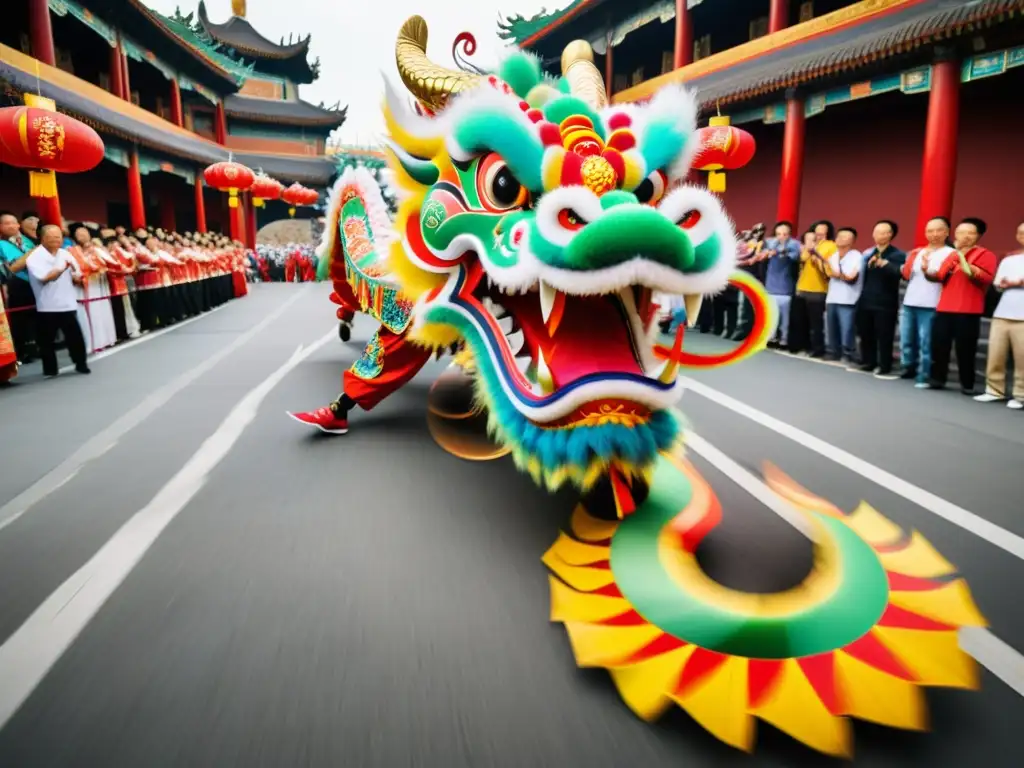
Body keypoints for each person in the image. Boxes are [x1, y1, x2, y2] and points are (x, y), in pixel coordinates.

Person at [929, 217, 997, 394]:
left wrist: (961, 258)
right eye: (960, 232)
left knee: (965, 349)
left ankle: (967, 383)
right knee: (939, 345)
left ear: (979, 235)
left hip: (968, 309)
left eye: (969, 232)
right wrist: (927, 269)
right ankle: (938, 378)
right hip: (944, 307)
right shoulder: (950, 255)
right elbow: (940, 276)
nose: (963, 236)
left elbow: (985, 277)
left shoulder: (985, 254)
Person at [25, 224, 90, 377]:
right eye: (52, 237)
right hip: (47, 306)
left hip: (67, 303)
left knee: (75, 337)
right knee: (46, 340)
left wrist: (76, 277)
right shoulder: (34, 257)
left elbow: (77, 274)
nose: (56, 240)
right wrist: (61, 269)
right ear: (42, 239)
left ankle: (81, 364)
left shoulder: (65, 254)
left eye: (59, 237)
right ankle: (50, 369)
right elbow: (44, 278)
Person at [975, 221, 1024, 409]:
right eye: (1020, 232)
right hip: (1003, 313)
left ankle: (1020, 395)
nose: (1022, 236)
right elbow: (997, 284)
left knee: (1022, 358)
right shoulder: (1009, 259)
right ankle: (994, 390)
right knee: (996, 354)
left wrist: (1019, 283)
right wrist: (1003, 284)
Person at [900, 217, 953, 388]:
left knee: (926, 342)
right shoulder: (917, 252)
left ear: (946, 232)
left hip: (931, 304)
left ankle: (924, 374)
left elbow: (942, 276)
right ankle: (908, 367)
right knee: (907, 339)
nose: (934, 234)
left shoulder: (950, 254)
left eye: (938, 230)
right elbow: (907, 275)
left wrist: (927, 269)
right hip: (910, 301)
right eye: (930, 231)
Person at [857, 220, 906, 378]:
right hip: (866, 299)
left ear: (890, 235)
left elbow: (899, 273)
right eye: (877, 231)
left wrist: (884, 264)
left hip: (885, 302)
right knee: (866, 333)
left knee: (884, 335)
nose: (879, 235)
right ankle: (868, 361)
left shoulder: (897, 255)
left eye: (884, 232)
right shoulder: (869, 253)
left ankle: (884, 365)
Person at [791, 221, 834, 357]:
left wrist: (816, 255)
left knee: (816, 324)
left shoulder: (831, 246)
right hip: (802, 287)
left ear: (827, 233)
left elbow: (828, 268)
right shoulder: (807, 245)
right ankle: (802, 346)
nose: (819, 234)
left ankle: (817, 349)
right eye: (816, 231)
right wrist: (808, 248)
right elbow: (802, 260)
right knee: (800, 321)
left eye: (822, 232)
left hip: (819, 289)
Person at [0, 211, 39, 363]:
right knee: (20, 319)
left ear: (19, 224)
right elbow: (10, 268)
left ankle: (39, 346)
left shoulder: (29, 241)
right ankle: (24, 350)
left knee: (37, 316)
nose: (11, 226)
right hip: (15, 284)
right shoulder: (2, 244)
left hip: (35, 282)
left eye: (13, 222)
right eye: (6, 223)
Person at [824, 227, 864, 364]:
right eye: (839, 236)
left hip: (848, 298)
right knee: (831, 326)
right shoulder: (832, 256)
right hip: (832, 297)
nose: (841, 238)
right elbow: (827, 274)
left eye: (845, 236)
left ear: (852, 241)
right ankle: (834, 351)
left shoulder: (857, 256)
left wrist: (839, 275)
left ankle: (849, 353)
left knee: (847, 328)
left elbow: (852, 277)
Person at [762, 221, 801, 350]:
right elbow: (763, 253)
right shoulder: (770, 242)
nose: (781, 236)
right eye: (778, 233)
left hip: (786, 287)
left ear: (790, 234)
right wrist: (769, 251)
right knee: (772, 316)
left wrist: (781, 250)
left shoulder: (794, 245)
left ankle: (784, 339)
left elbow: (794, 257)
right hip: (771, 285)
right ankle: (771, 338)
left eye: (785, 234)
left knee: (785, 318)